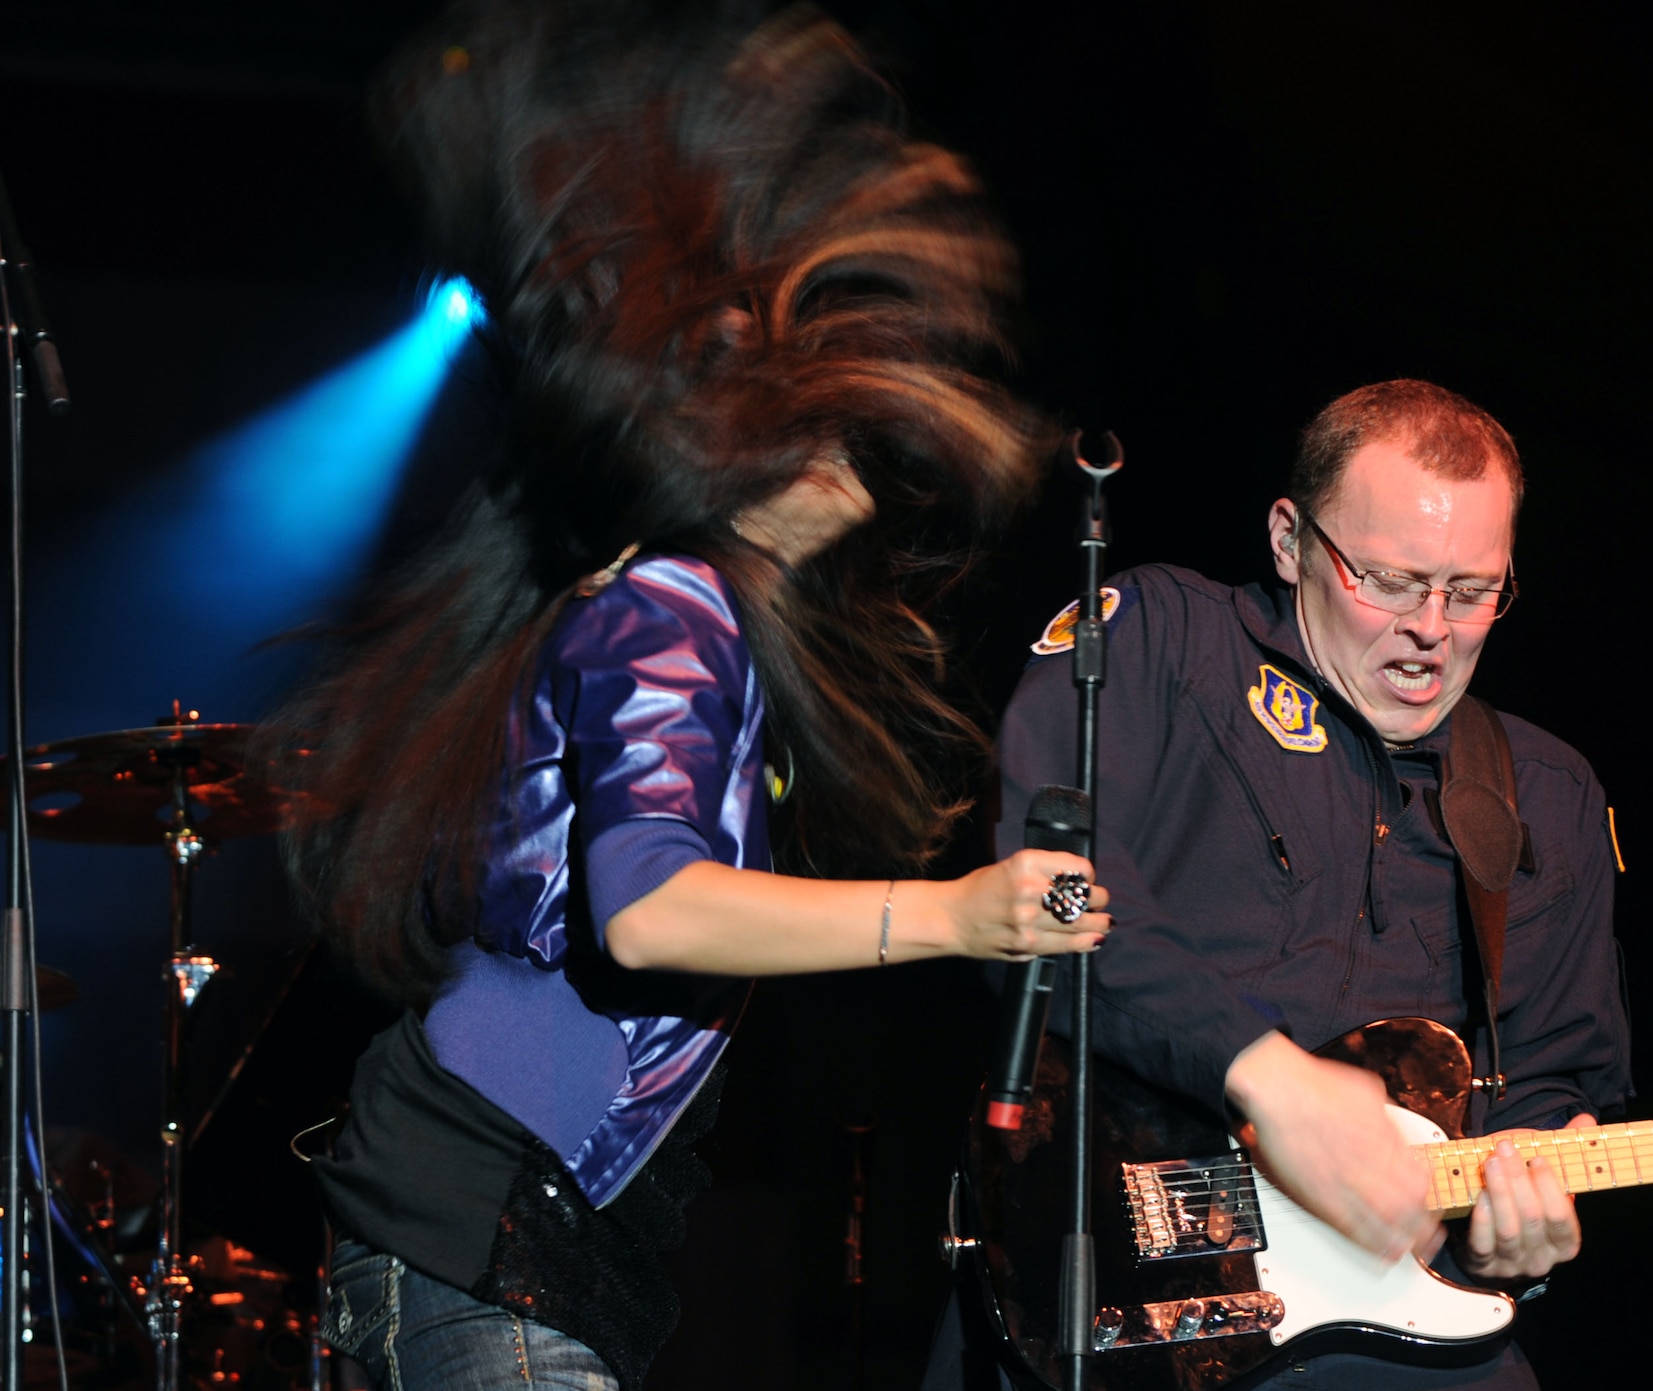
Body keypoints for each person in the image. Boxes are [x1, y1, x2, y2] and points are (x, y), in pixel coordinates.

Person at [274, 4, 1109, 1388]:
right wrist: (960, 913)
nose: (852, 423)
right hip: (488, 1219)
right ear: (732, 440)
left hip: (482, 1231)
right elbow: (654, 908)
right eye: (806, 393)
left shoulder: (689, 616)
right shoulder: (675, 603)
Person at [929, 379, 1630, 1389]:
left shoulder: (1549, 794)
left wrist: (1511, 1229)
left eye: (1471, 590)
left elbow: (1547, 1081)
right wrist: (1258, 1067)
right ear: (1289, 539)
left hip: (1384, 1316)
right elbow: (1048, 890)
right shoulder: (1164, 642)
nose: (1432, 628)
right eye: (1388, 579)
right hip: (1092, 1283)